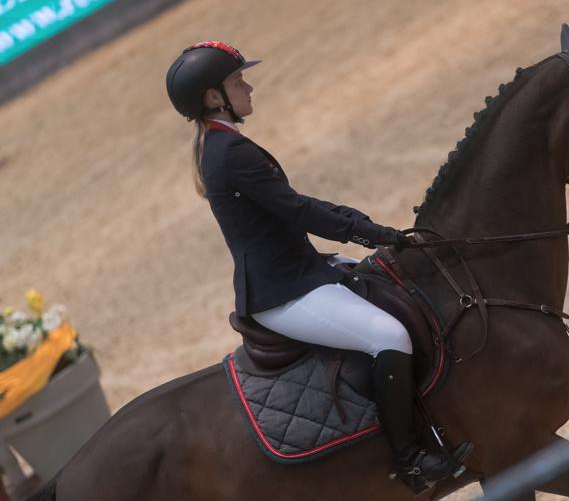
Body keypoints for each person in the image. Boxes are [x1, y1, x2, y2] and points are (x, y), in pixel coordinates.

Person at [165, 41, 467, 491]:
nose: (248, 86)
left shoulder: (225, 143)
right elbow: (300, 210)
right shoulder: (230, 153)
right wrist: (373, 231)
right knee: (389, 337)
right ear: (214, 98)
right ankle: (410, 460)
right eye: (236, 81)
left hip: (301, 270)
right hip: (284, 292)